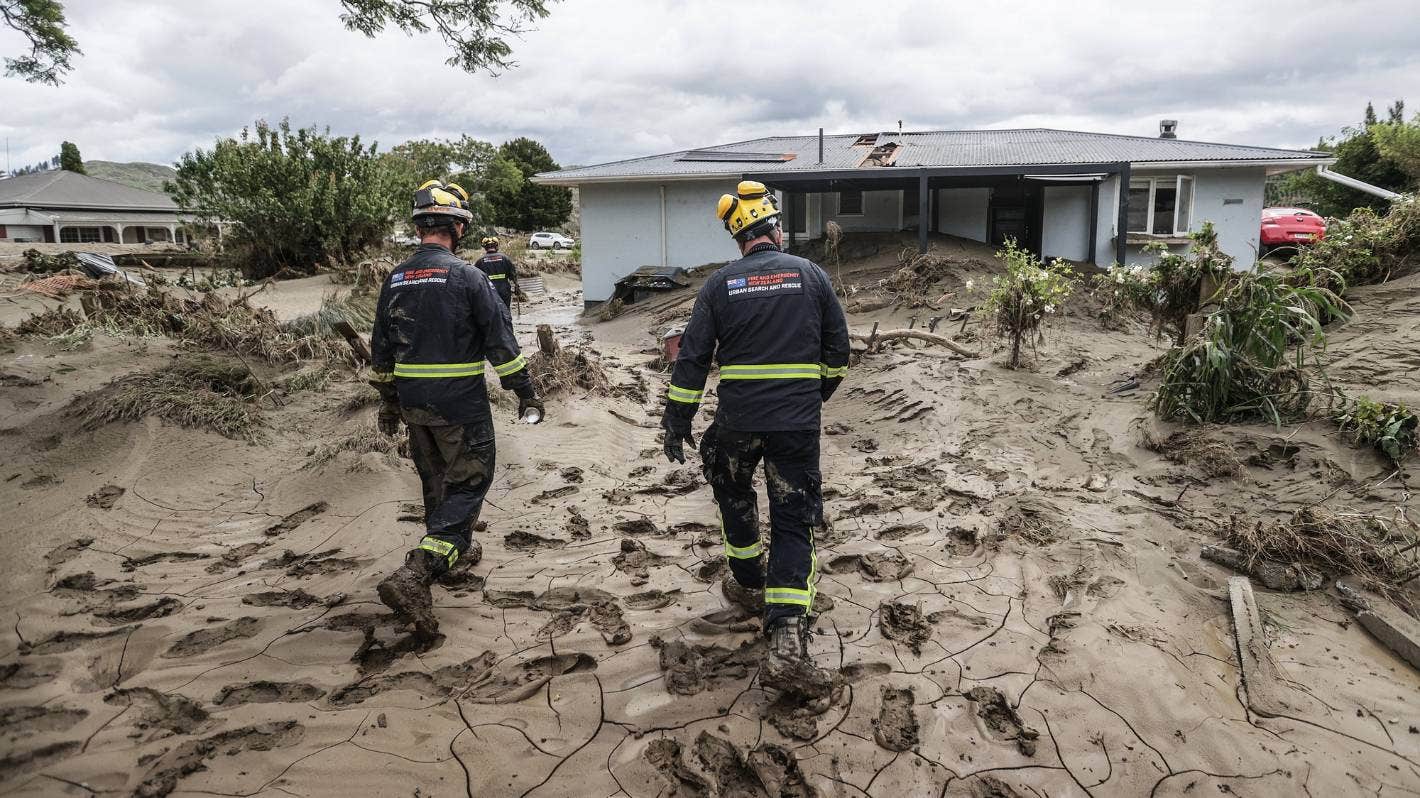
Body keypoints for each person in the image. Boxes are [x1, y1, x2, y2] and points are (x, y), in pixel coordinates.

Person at [660, 180, 850, 679]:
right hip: (795, 426)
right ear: (775, 230)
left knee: (734, 497)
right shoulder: (811, 275)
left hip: (737, 424)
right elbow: (838, 352)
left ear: (739, 238)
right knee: (792, 520)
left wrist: (677, 420)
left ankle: (747, 583)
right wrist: (814, 395)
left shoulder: (719, 285)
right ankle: (787, 635)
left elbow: (693, 359)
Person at [369, 179, 544, 639]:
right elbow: (501, 343)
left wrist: (389, 404)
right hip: (459, 403)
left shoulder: (396, 278)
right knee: (469, 481)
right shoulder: (468, 277)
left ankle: (455, 552)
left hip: (414, 404)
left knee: (435, 479)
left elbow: (381, 350)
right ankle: (421, 568)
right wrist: (525, 392)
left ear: (420, 228)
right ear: (458, 228)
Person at [474, 236, 519, 309]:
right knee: (505, 311)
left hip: (488, 292)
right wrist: (517, 286)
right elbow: (513, 275)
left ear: (485, 248)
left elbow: (475, 278)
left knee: (492, 312)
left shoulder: (480, 261)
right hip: (504, 291)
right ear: (496, 246)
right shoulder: (505, 258)